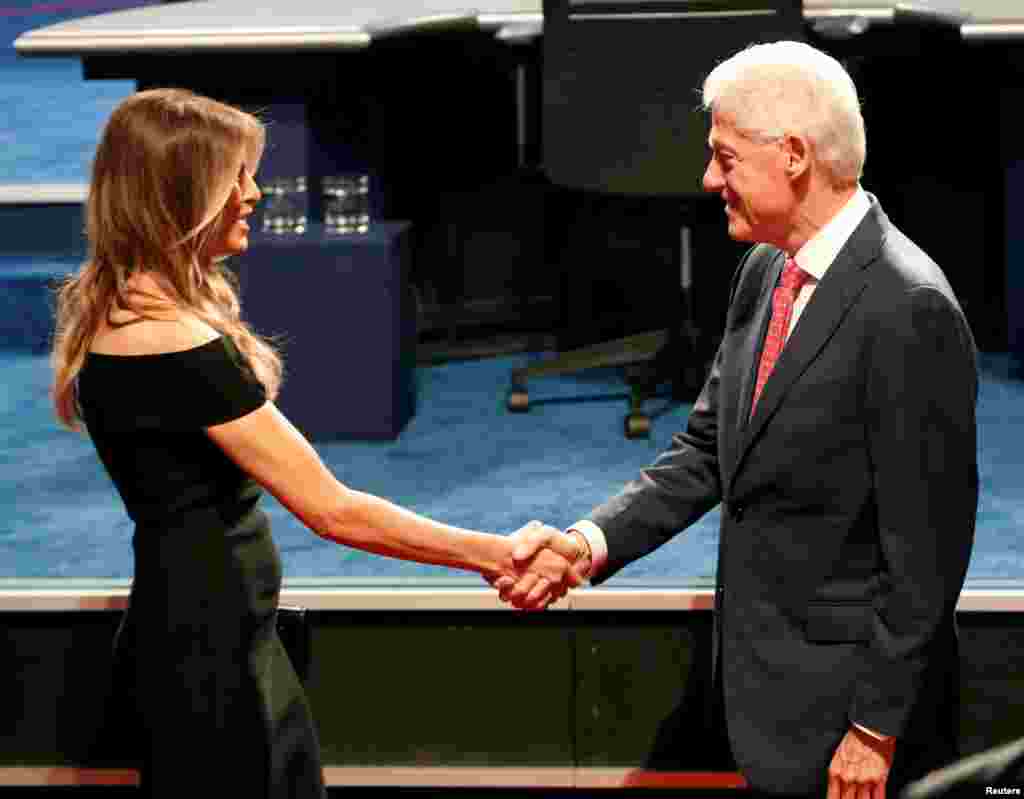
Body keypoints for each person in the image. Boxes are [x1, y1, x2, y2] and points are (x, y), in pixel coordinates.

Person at [50, 88, 582, 799]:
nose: (253, 193)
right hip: (209, 657)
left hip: (203, 633)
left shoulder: (125, 317)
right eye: (234, 177)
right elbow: (333, 510)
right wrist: (494, 553)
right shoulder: (178, 348)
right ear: (179, 194)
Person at [497, 41, 979, 799]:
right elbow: (706, 451)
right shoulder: (766, 269)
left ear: (793, 155)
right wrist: (585, 544)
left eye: (725, 158)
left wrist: (874, 728)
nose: (707, 179)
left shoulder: (908, 306)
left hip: (856, 731)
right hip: (771, 699)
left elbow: (926, 556)